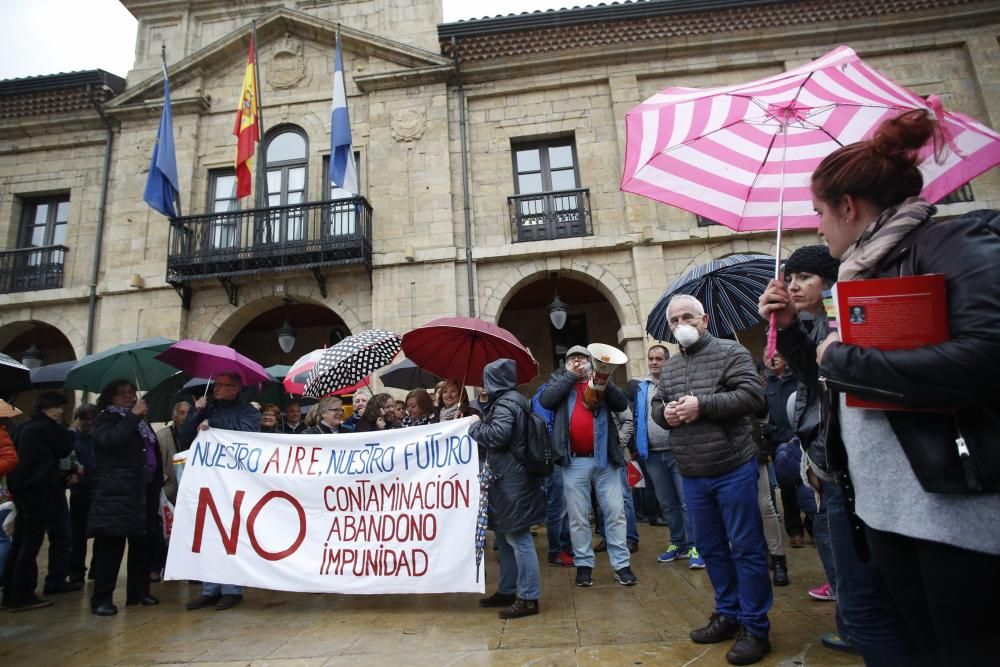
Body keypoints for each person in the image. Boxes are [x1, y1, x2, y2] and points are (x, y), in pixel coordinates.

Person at [760, 108, 1000, 666]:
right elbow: (826, 377)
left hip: (950, 507)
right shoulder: (862, 272)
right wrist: (794, 334)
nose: (818, 227)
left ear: (848, 207)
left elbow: (987, 355)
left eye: (820, 212)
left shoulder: (952, 242)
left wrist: (841, 356)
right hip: (884, 505)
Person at [650, 295, 771, 665]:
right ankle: (728, 613)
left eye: (687, 317)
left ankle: (755, 627)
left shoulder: (731, 352)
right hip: (692, 470)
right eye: (674, 321)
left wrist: (702, 405)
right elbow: (657, 406)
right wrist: (664, 413)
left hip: (732, 465)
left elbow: (753, 396)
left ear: (704, 319)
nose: (680, 324)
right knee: (711, 548)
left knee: (746, 547)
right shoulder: (669, 369)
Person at [539, 345, 637, 588]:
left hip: (605, 460)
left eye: (582, 358)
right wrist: (570, 376)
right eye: (572, 359)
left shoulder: (601, 380)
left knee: (615, 513)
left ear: (591, 361)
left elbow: (620, 404)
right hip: (574, 462)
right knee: (578, 516)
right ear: (566, 363)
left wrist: (604, 378)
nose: (578, 362)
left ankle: (622, 565)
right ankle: (584, 565)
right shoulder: (560, 382)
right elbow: (546, 400)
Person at [468, 358, 546, 619]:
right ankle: (508, 589)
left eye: (486, 379)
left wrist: (475, 425)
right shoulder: (511, 400)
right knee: (504, 536)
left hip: (513, 482)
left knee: (519, 538)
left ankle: (528, 597)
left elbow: (497, 435)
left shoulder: (505, 404)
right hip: (510, 479)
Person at [180, 372, 260, 612]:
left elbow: (247, 436)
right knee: (208, 534)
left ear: (237, 389)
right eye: (217, 385)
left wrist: (213, 427)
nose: (218, 389)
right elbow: (184, 438)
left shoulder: (248, 412)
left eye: (225, 386)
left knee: (231, 534)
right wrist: (196, 414)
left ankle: (232, 589)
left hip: (234, 482)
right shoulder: (207, 409)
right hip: (207, 480)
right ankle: (210, 589)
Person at [88, 380, 162, 616]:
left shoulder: (141, 423)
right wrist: (132, 417)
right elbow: (110, 441)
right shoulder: (105, 419)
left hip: (143, 491)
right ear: (111, 398)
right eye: (123, 394)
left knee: (142, 544)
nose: (129, 397)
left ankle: (139, 591)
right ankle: (102, 598)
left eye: (132, 393)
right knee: (112, 547)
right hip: (117, 492)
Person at [2, 392, 75, 612]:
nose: (61, 411)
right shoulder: (46, 428)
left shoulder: (25, 427)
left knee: (20, 542)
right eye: (57, 407)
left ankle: (10, 592)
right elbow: (64, 447)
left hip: (22, 490)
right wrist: (64, 427)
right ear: (46, 408)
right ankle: (22, 594)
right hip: (39, 490)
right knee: (30, 543)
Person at [634, 345, 703, 568]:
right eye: (651, 359)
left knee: (686, 501)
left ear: (667, 361)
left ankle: (696, 546)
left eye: (658, 359)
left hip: (679, 450)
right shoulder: (641, 387)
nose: (654, 362)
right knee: (667, 504)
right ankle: (677, 544)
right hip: (652, 454)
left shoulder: (677, 382)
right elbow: (639, 417)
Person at [68, 404, 97, 585]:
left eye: (91, 419)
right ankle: (76, 573)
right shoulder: (71, 438)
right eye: (85, 419)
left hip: (98, 490)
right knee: (77, 535)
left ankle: (96, 569)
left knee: (101, 533)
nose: (88, 423)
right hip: (80, 492)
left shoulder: (97, 437)